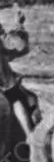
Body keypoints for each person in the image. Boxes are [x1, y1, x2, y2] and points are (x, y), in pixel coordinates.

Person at [0, 7, 37, 138]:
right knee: (21, 99)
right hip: (3, 82)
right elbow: (15, 47)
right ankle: (30, 140)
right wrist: (19, 25)